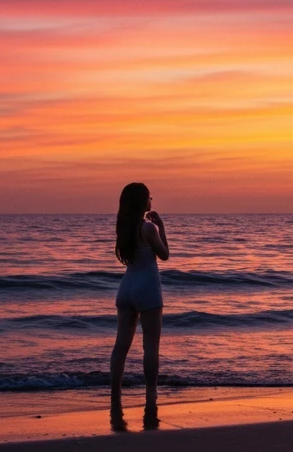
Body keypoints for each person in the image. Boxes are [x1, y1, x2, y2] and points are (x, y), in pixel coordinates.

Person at [109, 182, 169, 430]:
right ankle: (151, 396)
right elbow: (164, 254)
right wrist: (162, 226)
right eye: (149, 196)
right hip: (147, 289)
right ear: (142, 202)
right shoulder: (148, 228)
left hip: (126, 288)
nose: (151, 199)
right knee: (150, 347)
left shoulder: (124, 228)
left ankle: (115, 393)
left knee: (121, 345)